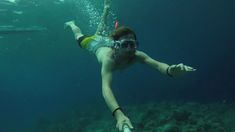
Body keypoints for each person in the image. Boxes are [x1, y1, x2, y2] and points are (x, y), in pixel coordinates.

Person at [64, 0, 196, 131]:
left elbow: (157, 65)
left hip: (106, 41)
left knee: (101, 28)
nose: (129, 49)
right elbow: (106, 88)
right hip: (93, 44)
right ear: (116, 46)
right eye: (125, 45)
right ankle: (71, 24)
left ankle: (106, 9)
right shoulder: (109, 60)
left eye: (132, 44)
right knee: (79, 35)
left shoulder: (137, 55)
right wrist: (119, 115)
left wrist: (170, 70)